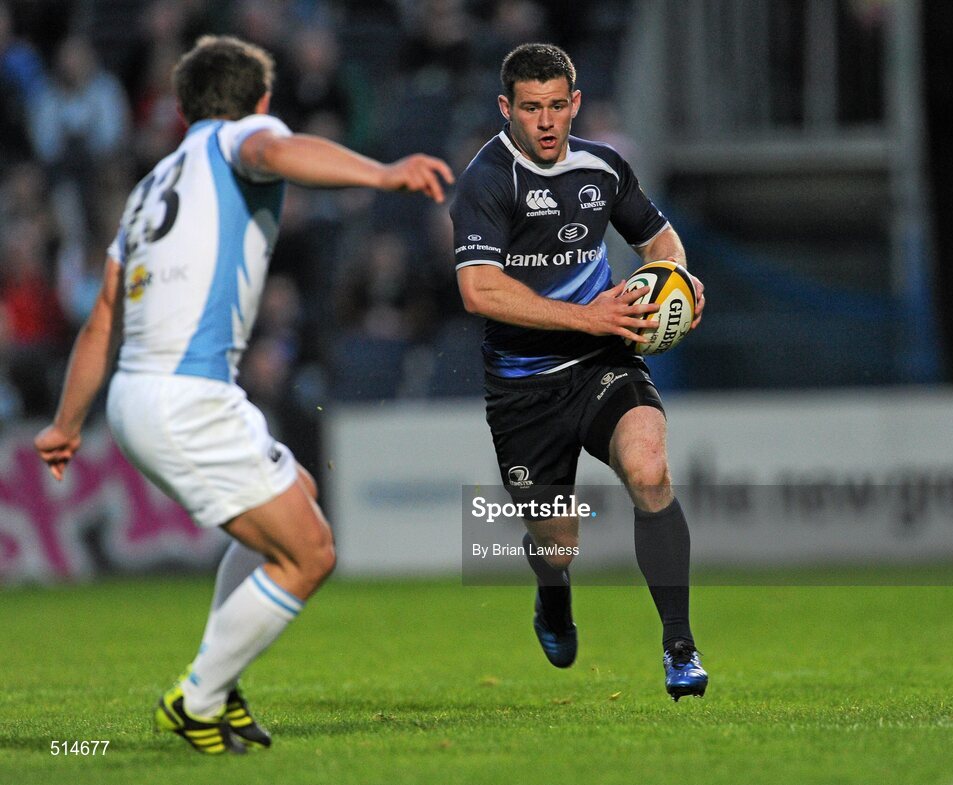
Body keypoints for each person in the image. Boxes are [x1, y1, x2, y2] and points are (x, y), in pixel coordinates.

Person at [34, 35, 453, 754]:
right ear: (260, 101)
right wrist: (383, 175)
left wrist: (68, 422)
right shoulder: (243, 135)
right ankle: (197, 697)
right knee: (311, 553)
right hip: (184, 396)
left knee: (294, 502)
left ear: (182, 106)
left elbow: (104, 314)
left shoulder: (149, 187)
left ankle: (217, 688)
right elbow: (271, 154)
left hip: (141, 394)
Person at [449, 43, 708, 699]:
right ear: (506, 107)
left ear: (575, 104)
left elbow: (659, 240)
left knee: (649, 466)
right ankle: (553, 594)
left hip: (604, 361)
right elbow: (479, 290)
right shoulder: (486, 181)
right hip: (523, 386)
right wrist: (586, 316)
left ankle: (680, 647)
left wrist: (675, 281)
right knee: (557, 546)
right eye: (530, 108)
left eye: (557, 106)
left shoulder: (603, 167)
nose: (545, 122)